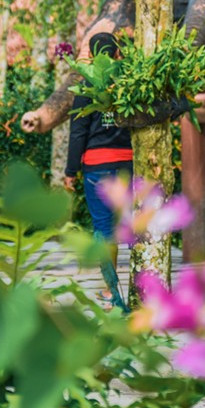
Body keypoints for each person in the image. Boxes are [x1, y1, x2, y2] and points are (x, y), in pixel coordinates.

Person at [64, 32, 131, 310]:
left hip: (97, 168)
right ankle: (128, 288)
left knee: (104, 230)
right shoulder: (128, 84)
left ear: (91, 56)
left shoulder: (86, 88)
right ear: (117, 53)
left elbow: (77, 134)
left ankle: (113, 294)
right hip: (127, 165)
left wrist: (70, 170)